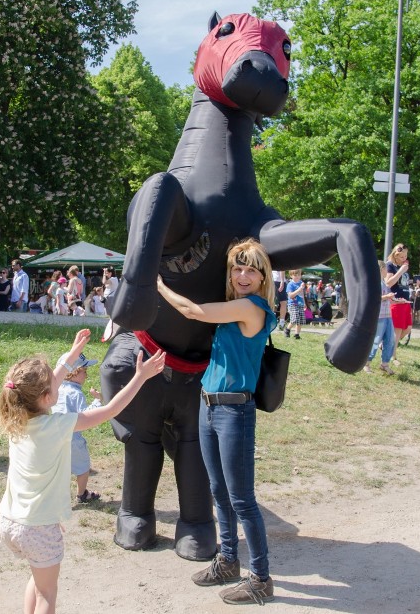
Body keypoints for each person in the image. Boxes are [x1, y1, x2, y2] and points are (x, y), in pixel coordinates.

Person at [0, 328, 165, 614]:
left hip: (11, 521)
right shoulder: (56, 426)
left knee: (38, 582)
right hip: (38, 527)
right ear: (48, 396)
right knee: (47, 594)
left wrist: (72, 355)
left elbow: (50, 384)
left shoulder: (17, 418)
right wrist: (140, 376)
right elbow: (111, 409)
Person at [156, 238, 278, 606]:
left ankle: (260, 579)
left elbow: (192, 311)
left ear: (262, 277)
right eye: (237, 268)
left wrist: (158, 283)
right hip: (209, 406)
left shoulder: (252, 307)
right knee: (219, 491)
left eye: (251, 269)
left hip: (234, 412)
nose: (243, 275)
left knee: (242, 499)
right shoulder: (234, 306)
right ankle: (227, 561)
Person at [51, 352, 102, 504]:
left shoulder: (57, 390)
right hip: (73, 438)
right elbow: (86, 416)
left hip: (55, 437)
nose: (86, 376)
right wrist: (98, 400)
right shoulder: (76, 393)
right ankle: (82, 494)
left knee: (59, 468)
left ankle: (56, 496)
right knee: (83, 467)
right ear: (73, 373)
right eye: (84, 372)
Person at [363, 261, 397, 375]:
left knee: (390, 340)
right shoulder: (374, 282)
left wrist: (395, 300)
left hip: (388, 316)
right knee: (376, 340)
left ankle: (385, 364)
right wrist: (387, 296)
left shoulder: (383, 283)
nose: (387, 270)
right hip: (379, 316)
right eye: (385, 268)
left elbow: (386, 298)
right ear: (381, 269)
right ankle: (366, 363)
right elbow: (374, 298)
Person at [385, 244, 411, 364]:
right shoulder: (390, 265)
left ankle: (387, 344)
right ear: (395, 255)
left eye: (405, 256)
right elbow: (389, 283)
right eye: (401, 256)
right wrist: (401, 271)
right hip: (396, 302)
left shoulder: (401, 266)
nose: (404, 258)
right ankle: (393, 356)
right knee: (398, 330)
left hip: (405, 302)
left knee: (407, 328)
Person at [284, 269, 306, 339]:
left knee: (300, 320)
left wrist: (304, 303)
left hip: (300, 303)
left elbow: (302, 294)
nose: (297, 277)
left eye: (299, 275)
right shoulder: (290, 284)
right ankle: (287, 329)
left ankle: (297, 334)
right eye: (295, 275)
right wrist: (299, 289)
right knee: (295, 319)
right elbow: (290, 295)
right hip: (293, 304)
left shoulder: (301, 283)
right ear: (291, 276)